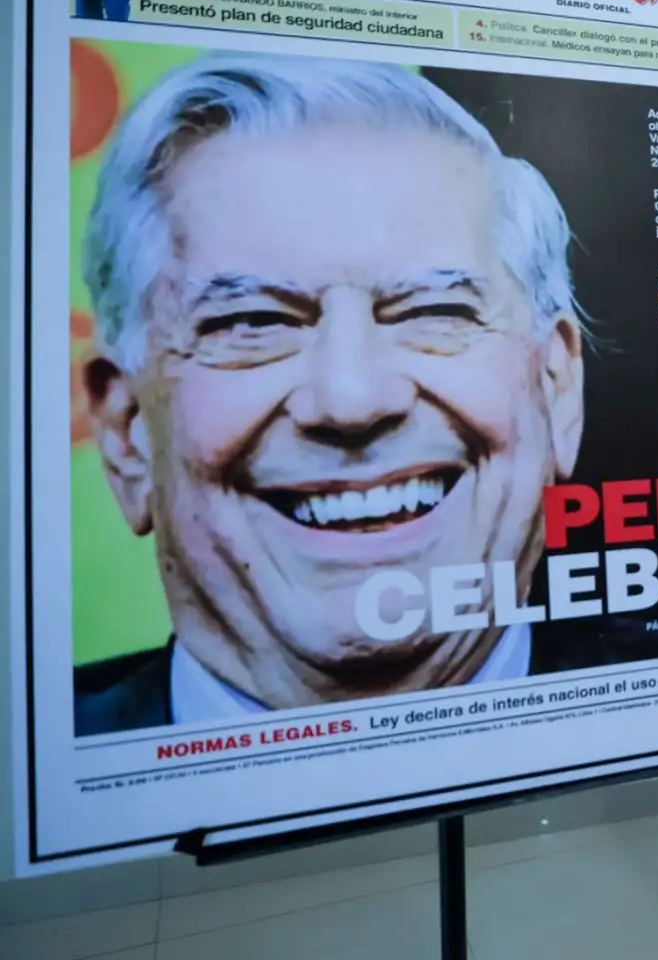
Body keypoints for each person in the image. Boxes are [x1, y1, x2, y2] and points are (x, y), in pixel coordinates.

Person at [74, 55, 586, 734]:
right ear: (126, 430)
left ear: (556, 389)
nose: (352, 400)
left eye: (434, 311)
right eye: (252, 322)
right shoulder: (29, 765)